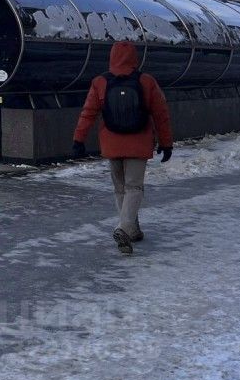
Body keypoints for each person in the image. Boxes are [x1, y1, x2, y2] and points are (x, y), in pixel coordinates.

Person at [73, 41, 174, 255]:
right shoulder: (146, 81)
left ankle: (132, 230)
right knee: (134, 187)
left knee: (120, 189)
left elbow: (88, 113)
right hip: (138, 142)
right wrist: (166, 144)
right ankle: (124, 228)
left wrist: (78, 140)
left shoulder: (100, 82)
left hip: (112, 143)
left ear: (111, 57)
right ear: (135, 58)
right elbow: (161, 115)